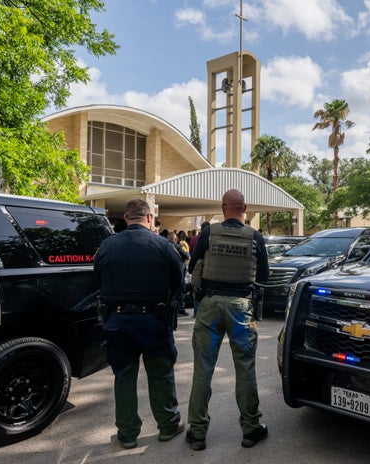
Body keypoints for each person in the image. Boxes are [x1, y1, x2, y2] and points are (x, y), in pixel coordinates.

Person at [94, 199, 185, 449]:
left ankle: (127, 433)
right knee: (161, 374)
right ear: (149, 218)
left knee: (124, 377)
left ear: (126, 217)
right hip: (155, 321)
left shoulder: (107, 245)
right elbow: (178, 282)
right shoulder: (163, 245)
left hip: (118, 321)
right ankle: (168, 425)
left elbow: (98, 277)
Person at [185, 189, 269, 450]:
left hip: (210, 305)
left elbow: (191, 267)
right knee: (245, 368)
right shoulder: (255, 237)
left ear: (223, 208)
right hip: (241, 307)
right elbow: (264, 275)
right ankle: (251, 429)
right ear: (245, 208)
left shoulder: (209, 233)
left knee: (203, 370)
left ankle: (197, 433)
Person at [168, 232, 190, 316]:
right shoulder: (178, 247)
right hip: (178, 271)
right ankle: (180, 309)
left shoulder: (164, 246)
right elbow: (187, 256)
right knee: (179, 291)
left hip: (167, 272)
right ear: (175, 239)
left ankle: (171, 309)